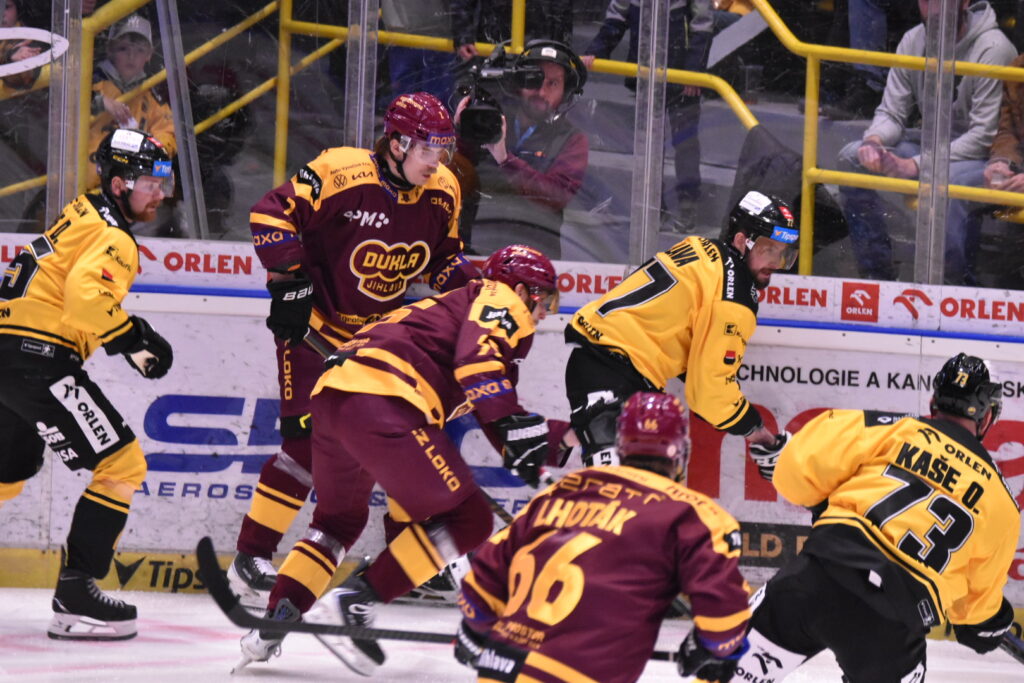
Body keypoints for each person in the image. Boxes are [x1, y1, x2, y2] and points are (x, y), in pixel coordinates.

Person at [236, 244, 571, 676]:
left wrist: (561, 440)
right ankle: (355, 600)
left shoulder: (457, 311)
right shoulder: (500, 298)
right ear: (521, 290)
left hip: (336, 397)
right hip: (385, 400)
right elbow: (478, 367)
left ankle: (274, 622)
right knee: (469, 520)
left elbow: (494, 414)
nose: (543, 313)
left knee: (337, 523)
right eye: (543, 299)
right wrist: (515, 425)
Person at [226, 91, 482, 611]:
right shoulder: (342, 171)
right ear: (397, 144)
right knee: (304, 447)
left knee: (401, 443)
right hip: (315, 329)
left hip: (379, 343)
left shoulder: (444, 190)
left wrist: (479, 295)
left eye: (443, 150)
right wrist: (290, 281)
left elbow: (441, 260)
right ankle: (250, 557)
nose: (436, 163)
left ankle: (406, 560)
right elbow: (270, 214)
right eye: (427, 150)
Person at [736, 352, 1018, 682]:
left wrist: (828, 503)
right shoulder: (1002, 504)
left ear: (934, 401)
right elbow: (973, 612)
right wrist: (990, 622)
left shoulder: (886, 427)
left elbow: (792, 471)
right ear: (987, 417)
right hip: (893, 625)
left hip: (817, 577)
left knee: (720, 672)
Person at [0, 128, 175, 640]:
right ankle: (76, 594)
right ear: (119, 184)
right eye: (150, 183)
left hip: (7, 351)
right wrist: (135, 339)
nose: (160, 194)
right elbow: (85, 300)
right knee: (123, 464)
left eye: (163, 183)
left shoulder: (80, 212)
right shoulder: (114, 235)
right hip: (37, 360)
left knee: (7, 475)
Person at [453, 391, 751, 683]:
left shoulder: (563, 490)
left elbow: (481, 583)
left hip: (502, 666)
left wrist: (476, 629)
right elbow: (723, 617)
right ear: (681, 452)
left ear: (620, 446)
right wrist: (714, 650)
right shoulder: (696, 515)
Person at [564, 190, 796, 476]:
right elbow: (709, 394)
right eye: (768, 248)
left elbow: (683, 342)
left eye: (782, 253)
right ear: (740, 241)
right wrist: (761, 435)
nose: (776, 261)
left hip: (606, 365)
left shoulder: (701, 248)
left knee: (641, 488)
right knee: (621, 492)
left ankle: (552, 443)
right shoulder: (735, 294)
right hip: (614, 374)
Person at [836, 0, 1016, 282]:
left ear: (964, 2)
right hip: (931, 144)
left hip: (983, 158)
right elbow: (892, 112)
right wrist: (873, 140)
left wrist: (917, 165)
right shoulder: (913, 39)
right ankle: (876, 275)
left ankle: (953, 286)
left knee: (946, 183)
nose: (934, 8)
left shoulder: (993, 48)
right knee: (852, 156)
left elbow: (984, 137)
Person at [582, 0, 714, 231]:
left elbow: (702, 24)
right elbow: (617, 17)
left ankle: (687, 205)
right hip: (646, 73)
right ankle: (653, 206)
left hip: (682, 76)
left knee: (685, 142)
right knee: (649, 143)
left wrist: (693, 71)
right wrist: (596, 50)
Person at [454, 39, 589, 258]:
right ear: (517, 83)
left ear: (566, 92)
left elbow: (556, 196)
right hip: (476, 251)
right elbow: (455, 177)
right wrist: (461, 132)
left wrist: (505, 161)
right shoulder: (486, 118)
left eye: (553, 83)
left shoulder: (572, 140)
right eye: (533, 79)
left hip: (535, 258)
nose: (541, 92)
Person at [86, 14, 176, 190]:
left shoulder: (151, 95)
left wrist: (150, 151)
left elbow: (169, 132)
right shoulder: (90, 82)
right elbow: (64, 105)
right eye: (123, 48)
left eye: (140, 50)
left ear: (149, 55)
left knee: (163, 176)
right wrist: (99, 102)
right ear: (110, 50)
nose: (131, 56)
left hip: (127, 189)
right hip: (85, 185)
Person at [450, 0, 573, 63]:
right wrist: (463, 36)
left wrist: (561, 48)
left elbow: (562, 8)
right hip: (494, 42)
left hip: (539, 45)